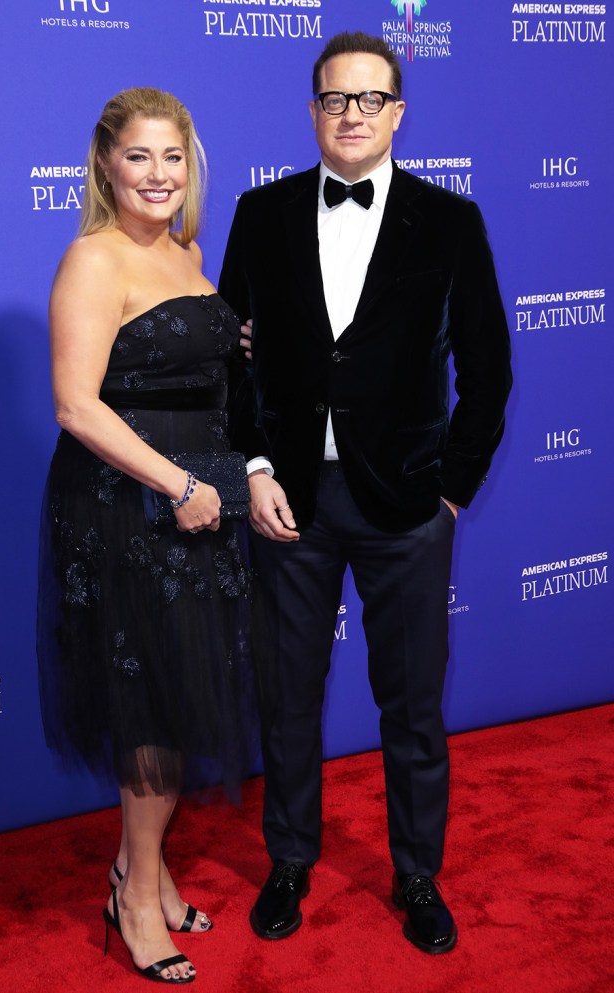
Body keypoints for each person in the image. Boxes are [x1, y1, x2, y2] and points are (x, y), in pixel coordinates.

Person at [219, 32, 512, 954]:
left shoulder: (451, 220)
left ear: (398, 112)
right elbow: (230, 364)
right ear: (312, 111)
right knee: (288, 696)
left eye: (370, 100)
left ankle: (417, 870)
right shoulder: (258, 214)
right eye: (335, 99)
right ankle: (291, 859)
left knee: (413, 701)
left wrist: (452, 493)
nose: (352, 115)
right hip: (289, 502)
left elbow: (489, 369)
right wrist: (255, 468)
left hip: (407, 507)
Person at [37, 87, 260, 984]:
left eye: (174, 157)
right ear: (105, 165)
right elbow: (76, 405)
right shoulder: (94, 259)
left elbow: (204, 388)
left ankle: (146, 865)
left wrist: (234, 473)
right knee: (147, 707)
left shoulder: (188, 251)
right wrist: (180, 485)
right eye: (140, 157)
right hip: (127, 506)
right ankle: (134, 899)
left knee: (178, 696)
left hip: (199, 507)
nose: (159, 175)